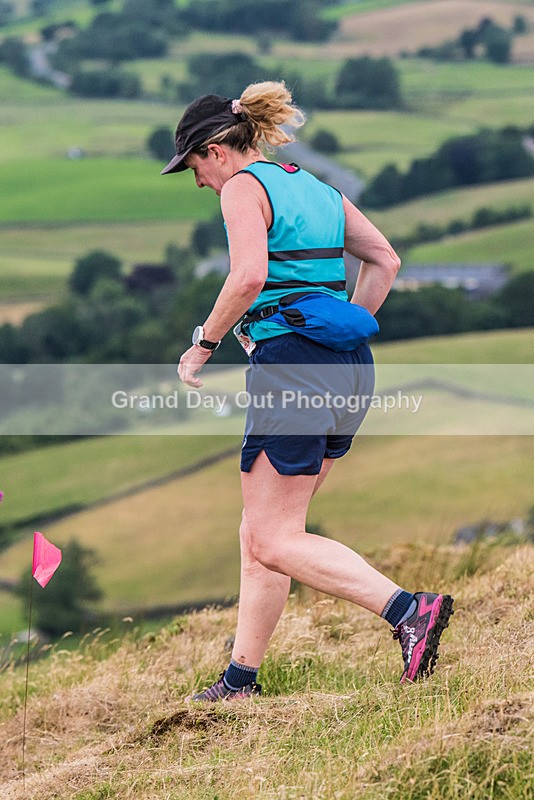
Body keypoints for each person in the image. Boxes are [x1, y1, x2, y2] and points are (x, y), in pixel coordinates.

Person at [163, 81, 454, 700]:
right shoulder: (315, 186)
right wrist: (334, 332)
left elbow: (247, 277)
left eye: (193, 167)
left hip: (293, 371)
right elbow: (385, 261)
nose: (197, 182)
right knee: (263, 532)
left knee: (272, 538)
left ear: (216, 150)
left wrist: (204, 343)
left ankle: (408, 611)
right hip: (348, 369)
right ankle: (241, 678)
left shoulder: (244, 186)